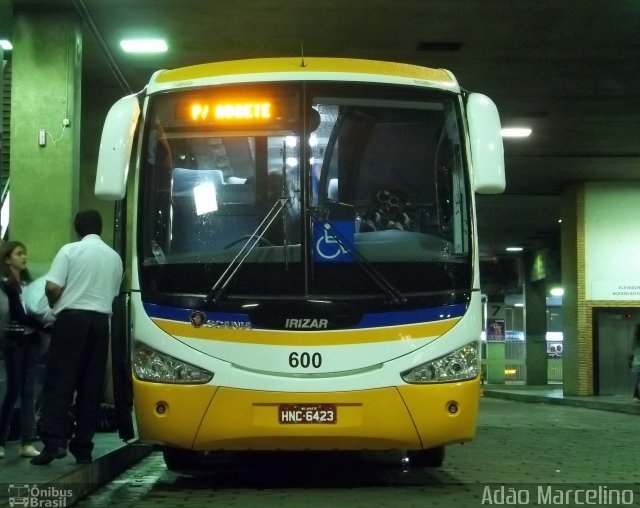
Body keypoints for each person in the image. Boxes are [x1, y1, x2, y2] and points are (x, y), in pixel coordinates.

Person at [32, 210, 123, 465]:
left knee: (60, 383)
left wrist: (54, 304)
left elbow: (52, 287)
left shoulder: (69, 251)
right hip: (100, 324)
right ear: (100, 229)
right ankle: (83, 447)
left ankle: (54, 443)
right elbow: (114, 294)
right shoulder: (114, 257)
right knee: (90, 387)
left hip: (71, 321)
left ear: (76, 228)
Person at [0, 241, 44, 459]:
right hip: (14, 341)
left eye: (24, 253)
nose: (23, 257)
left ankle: (27, 441)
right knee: (13, 389)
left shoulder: (28, 283)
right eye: (19, 254)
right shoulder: (6, 284)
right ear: (8, 259)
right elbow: (17, 313)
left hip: (31, 341)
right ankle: (1, 440)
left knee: (29, 391)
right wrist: (44, 326)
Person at [630, 325, 640, 402]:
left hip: (637, 362)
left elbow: (633, 348)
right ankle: (636, 395)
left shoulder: (636, 339)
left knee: (639, 378)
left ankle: (636, 395)